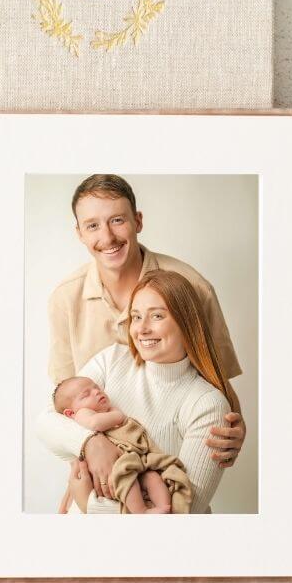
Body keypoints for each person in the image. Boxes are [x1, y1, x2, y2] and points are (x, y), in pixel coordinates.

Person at [47, 174, 245, 504]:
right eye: (92, 225)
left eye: (117, 220)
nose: (107, 236)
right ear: (79, 233)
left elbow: (219, 382)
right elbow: (60, 408)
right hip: (98, 480)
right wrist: (90, 449)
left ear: (138, 221)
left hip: (166, 474)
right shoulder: (65, 299)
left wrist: (236, 429)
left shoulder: (191, 289)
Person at [37, 270, 232, 514]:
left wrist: (89, 504)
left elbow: (183, 511)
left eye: (157, 316)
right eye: (136, 317)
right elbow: (45, 421)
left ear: (186, 322)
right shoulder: (112, 360)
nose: (142, 329)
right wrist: (91, 442)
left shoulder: (207, 404)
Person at [52, 375, 192, 515]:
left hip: (133, 460)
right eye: (86, 394)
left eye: (96, 388)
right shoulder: (81, 414)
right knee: (127, 480)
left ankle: (165, 508)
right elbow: (94, 424)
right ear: (70, 413)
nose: (96, 392)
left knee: (152, 477)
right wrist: (118, 416)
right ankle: (141, 511)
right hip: (118, 466)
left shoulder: (104, 409)